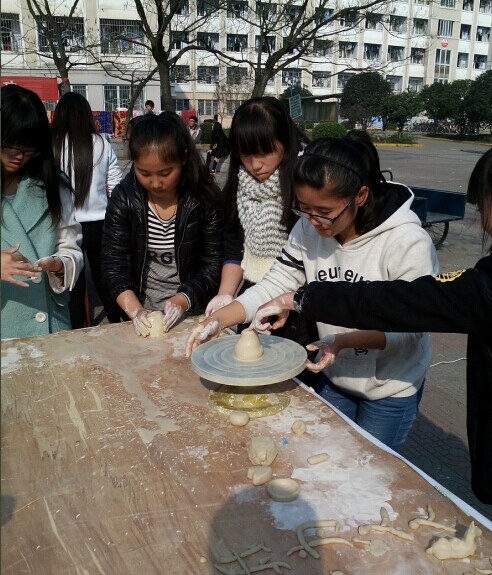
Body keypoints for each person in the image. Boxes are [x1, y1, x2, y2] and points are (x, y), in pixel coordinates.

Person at [248, 135, 492, 547]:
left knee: (367, 478)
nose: (481, 217)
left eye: (483, 204)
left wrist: (304, 301)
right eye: (304, 209)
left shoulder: (491, 279)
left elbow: (399, 306)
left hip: (398, 394)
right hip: (341, 381)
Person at [187, 132, 439, 451]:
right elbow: (277, 282)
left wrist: (344, 341)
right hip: (335, 375)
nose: (314, 222)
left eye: (324, 212)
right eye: (303, 208)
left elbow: (411, 328)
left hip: (390, 387)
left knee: (369, 463)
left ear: (361, 195)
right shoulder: (308, 226)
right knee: (329, 454)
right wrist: (220, 319)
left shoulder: (405, 241)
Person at [101, 111, 224, 336]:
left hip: (194, 309)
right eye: (144, 173)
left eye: (165, 173)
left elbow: (213, 263)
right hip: (141, 307)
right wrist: (136, 310)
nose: (156, 183)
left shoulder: (204, 198)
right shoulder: (124, 198)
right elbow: (113, 264)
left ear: (183, 158)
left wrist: (183, 299)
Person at [204, 97, 312, 345]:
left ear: (286, 142)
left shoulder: (306, 185)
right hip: (254, 294)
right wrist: (225, 294)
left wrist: (288, 299)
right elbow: (235, 246)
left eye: (265, 152)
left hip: (300, 302)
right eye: (245, 154)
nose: (255, 165)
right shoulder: (240, 186)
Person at [1, 84, 83, 339]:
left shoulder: (53, 186)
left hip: (50, 322)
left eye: (29, 149)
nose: (20, 156)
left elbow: (71, 247)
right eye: (12, 147)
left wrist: (60, 264)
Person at [51, 92, 123, 328]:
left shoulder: (52, 146)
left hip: (66, 227)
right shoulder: (102, 143)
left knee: (73, 284)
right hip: (101, 224)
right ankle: (118, 324)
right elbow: (116, 184)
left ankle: (77, 329)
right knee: (106, 280)